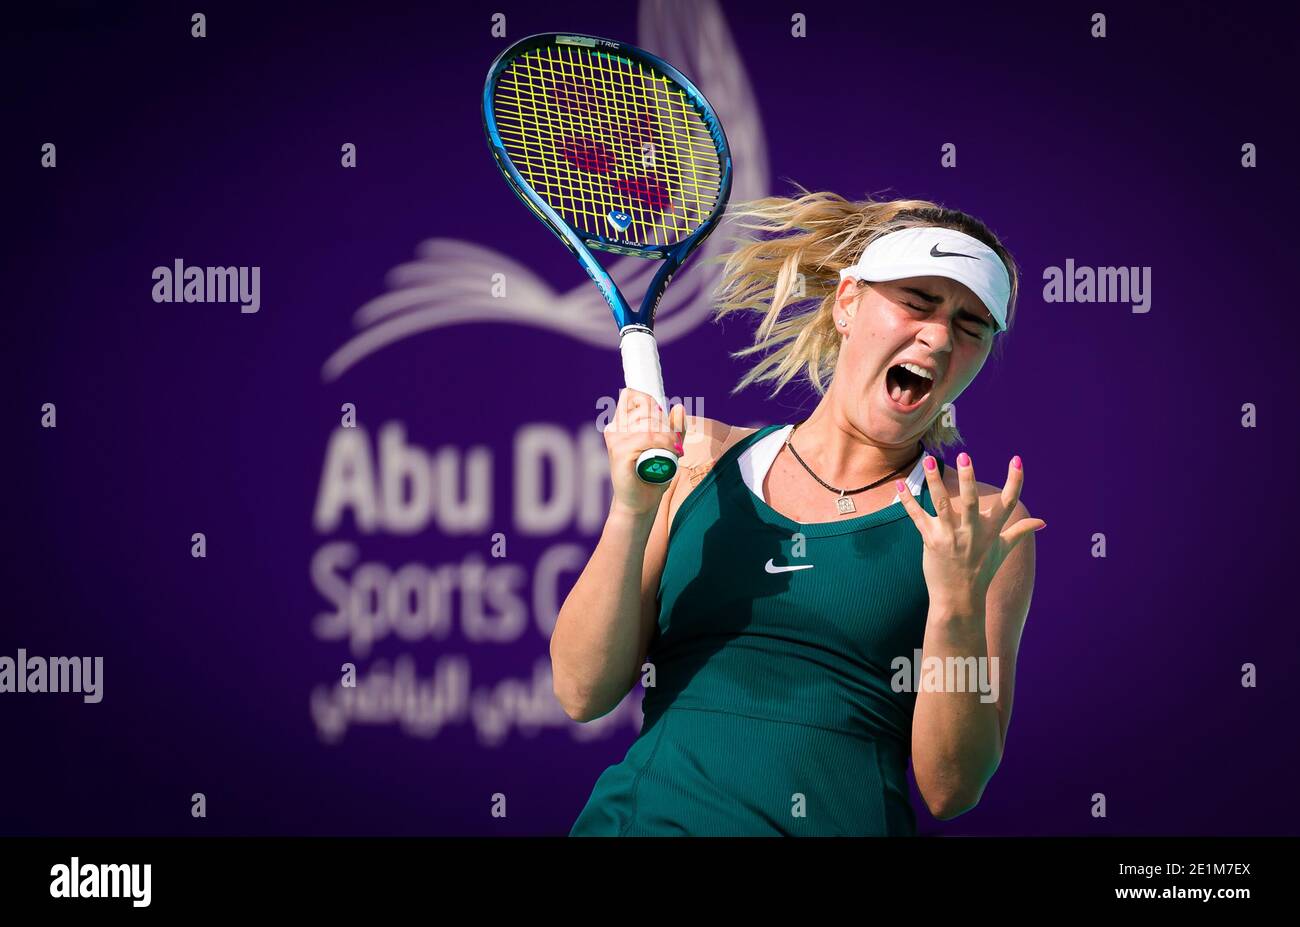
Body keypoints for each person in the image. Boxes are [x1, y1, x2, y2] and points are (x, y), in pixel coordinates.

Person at [554, 190, 1044, 836]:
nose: (938, 335)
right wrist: (631, 511)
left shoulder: (985, 525)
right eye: (917, 304)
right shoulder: (697, 459)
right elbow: (582, 690)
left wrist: (954, 607)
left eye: (970, 325)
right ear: (847, 303)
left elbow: (952, 787)